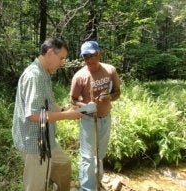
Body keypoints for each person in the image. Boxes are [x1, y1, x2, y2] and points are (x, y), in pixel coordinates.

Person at [12, 37, 83, 191]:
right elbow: (34, 115)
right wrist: (67, 116)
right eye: (61, 58)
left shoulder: (44, 73)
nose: (62, 62)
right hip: (36, 143)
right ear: (50, 53)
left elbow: (48, 103)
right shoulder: (34, 76)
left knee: (64, 166)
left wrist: (66, 110)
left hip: (46, 139)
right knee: (36, 186)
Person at [70, 40, 121, 191]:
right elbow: (72, 100)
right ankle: (86, 189)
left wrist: (109, 97)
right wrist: (85, 107)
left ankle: (97, 182)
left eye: (92, 56)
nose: (89, 60)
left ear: (99, 54)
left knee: (100, 154)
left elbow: (117, 92)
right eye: (85, 57)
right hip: (88, 120)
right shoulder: (80, 76)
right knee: (87, 157)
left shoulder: (110, 70)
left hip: (105, 118)